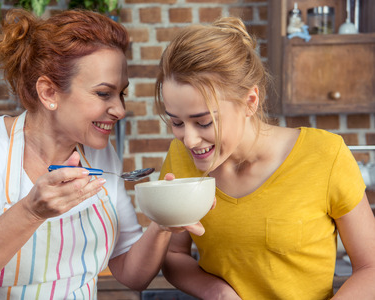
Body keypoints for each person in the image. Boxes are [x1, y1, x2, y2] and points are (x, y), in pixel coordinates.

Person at [0, 9, 203, 299]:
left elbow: (131, 273)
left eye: (122, 94)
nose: (120, 110)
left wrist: (163, 224)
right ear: (49, 93)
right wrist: (31, 212)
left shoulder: (101, 155)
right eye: (103, 93)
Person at [155, 17, 375, 299]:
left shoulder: (324, 154)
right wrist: (218, 292)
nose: (189, 140)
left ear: (250, 102)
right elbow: (174, 254)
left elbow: (370, 268)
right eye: (176, 122)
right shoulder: (180, 158)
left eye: (204, 122)